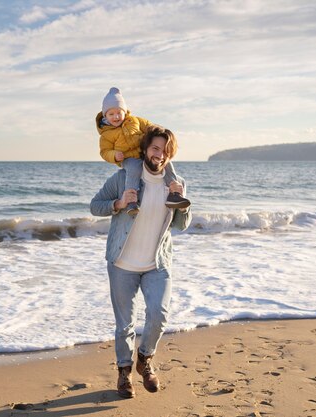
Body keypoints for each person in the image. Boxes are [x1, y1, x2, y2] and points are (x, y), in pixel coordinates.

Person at [90, 125, 192, 398]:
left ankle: (144, 359)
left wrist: (182, 200)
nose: (160, 155)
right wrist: (119, 203)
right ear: (146, 149)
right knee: (124, 324)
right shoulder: (125, 178)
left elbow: (181, 225)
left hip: (156, 263)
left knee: (159, 314)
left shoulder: (176, 181)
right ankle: (124, 373)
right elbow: (95, 205)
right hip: (122, 263)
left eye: (166, 151)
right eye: (156, 148)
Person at [96, 87, 190, 215]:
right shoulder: (106, 134)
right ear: (105, 115)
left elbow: (151, 127)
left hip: (142, 152)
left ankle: (174, 193)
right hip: (127, 158)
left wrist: (160, 136)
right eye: (111, 114)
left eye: (119, 112)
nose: (116, 117)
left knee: (166, 162)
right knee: (134, 169)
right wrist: (114, 156)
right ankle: (131, 201)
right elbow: (104, 151)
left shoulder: (135, 121)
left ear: (125, 112)